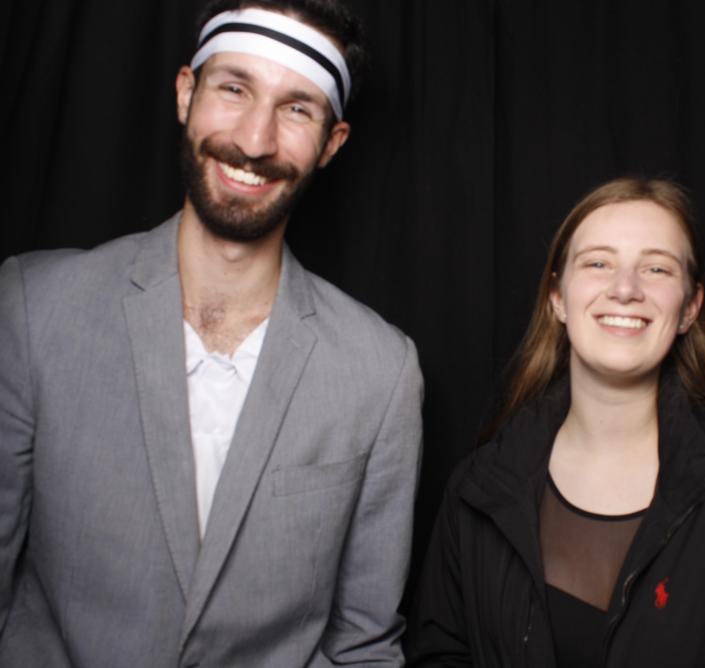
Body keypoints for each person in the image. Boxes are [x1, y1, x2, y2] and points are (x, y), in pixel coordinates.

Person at [0, 1, 422, 666]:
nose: (255, 141)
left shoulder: (380, 371)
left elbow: (364, 645)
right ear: (185, 93)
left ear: (332, 143)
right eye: (234, 89)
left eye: (296, 108)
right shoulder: (35, 308)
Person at [406, 177, 705, 667]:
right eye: (598, 263)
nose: (625, 290)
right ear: (557, 297)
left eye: (656, 268)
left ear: (690, 308)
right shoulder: (478, 488)